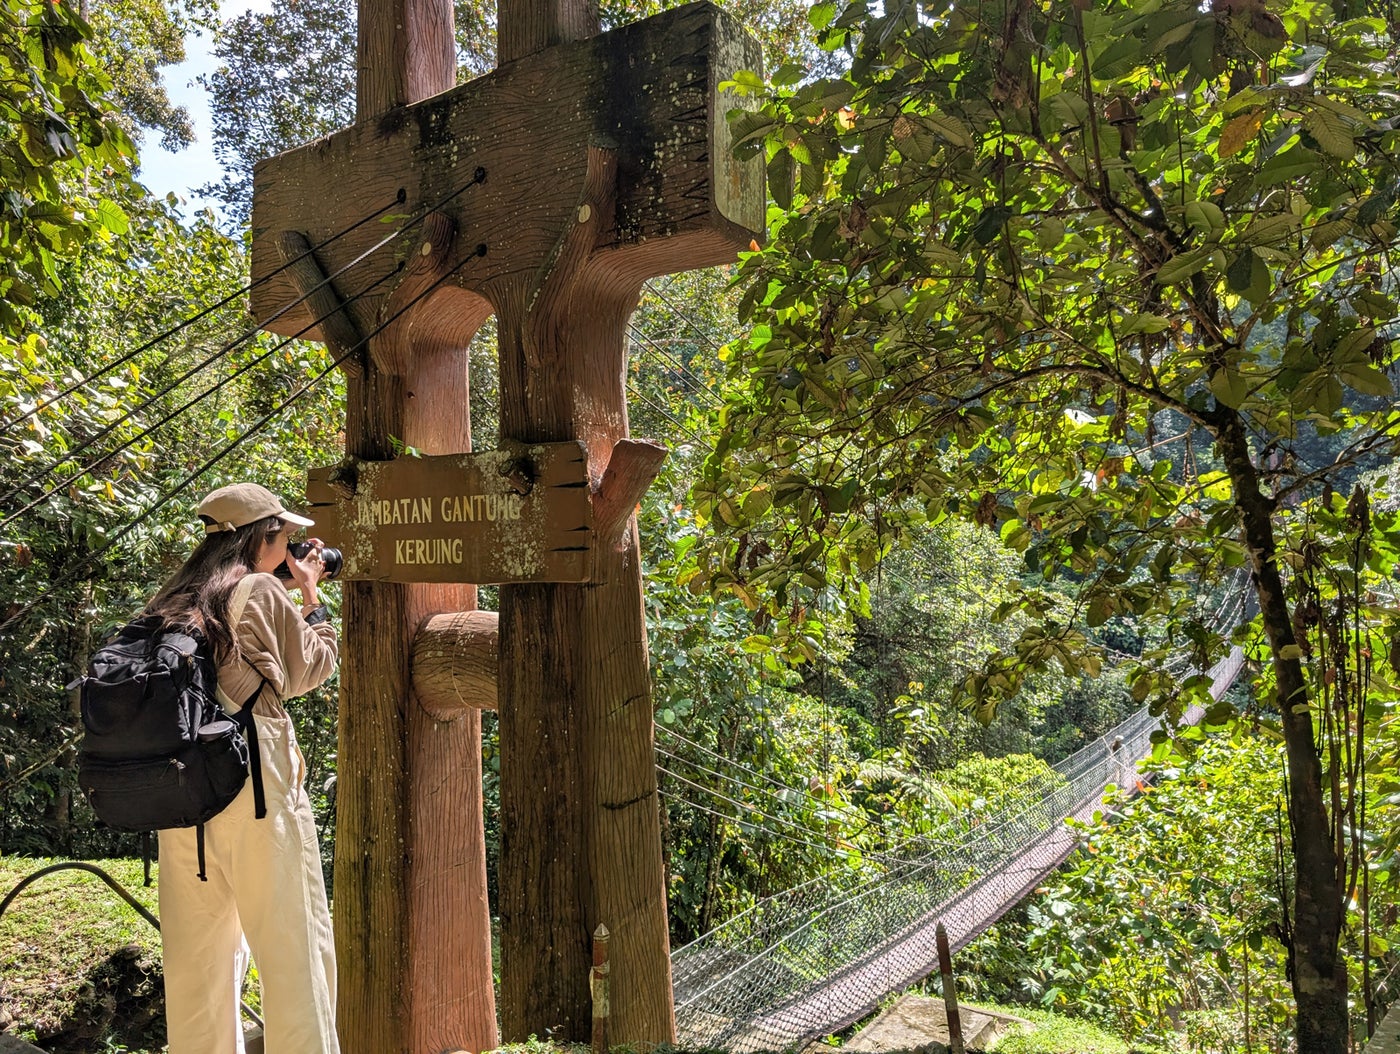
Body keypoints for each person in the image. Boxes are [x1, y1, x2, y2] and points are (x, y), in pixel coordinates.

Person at [144, 482, 340, 1054]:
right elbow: (313, 668)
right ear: (266, 536)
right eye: (288, 534)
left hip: (184, 802)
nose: (294, 543)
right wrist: (310, 595)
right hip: (255, 792)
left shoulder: (177, 595)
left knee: (197, 965)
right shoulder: (257, 589)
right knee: (295, 955)